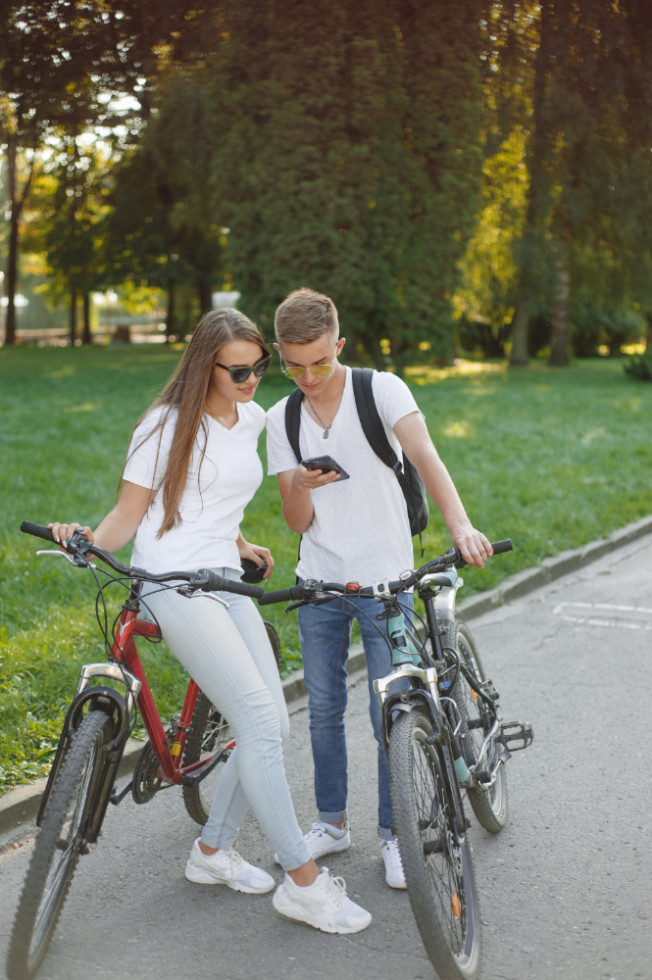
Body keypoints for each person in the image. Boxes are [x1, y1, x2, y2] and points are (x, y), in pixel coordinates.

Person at [49, 307, 371, 935]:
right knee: (254, 717)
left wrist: (240, 541)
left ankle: (212, 851)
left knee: (272, 723)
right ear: (207, 366)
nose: (254, 379)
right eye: (240, 370)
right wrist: (83, 537)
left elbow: (210, 494)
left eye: (261, 366)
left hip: (223, 578)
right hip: (171, 583)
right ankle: (302, 882)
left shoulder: (249, 417)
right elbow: (127, 516)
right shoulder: (163, 426)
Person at [266, 288, 493, 889]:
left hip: (386, 583)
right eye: (294, 365)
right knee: (322, 712)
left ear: (338, 345)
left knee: (389, 713)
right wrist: (303, 487)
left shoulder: (381, 389)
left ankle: (397, 837)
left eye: (320, 361)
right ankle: (333, 823)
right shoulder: (281, 418)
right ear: (280, 355)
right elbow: (294, 521)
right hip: (317, 585)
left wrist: (462, 526)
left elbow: (424, 456)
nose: (308, 376)